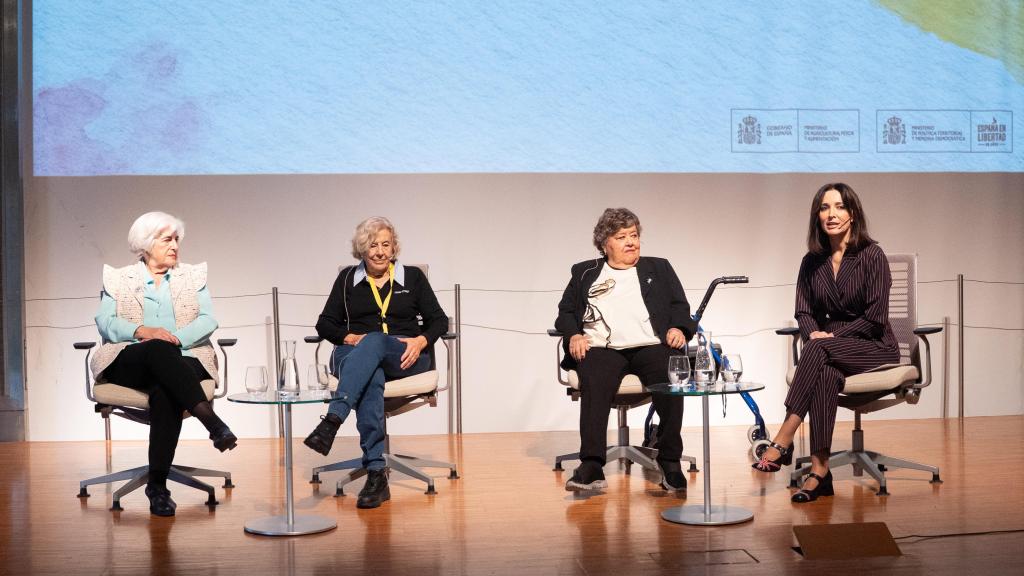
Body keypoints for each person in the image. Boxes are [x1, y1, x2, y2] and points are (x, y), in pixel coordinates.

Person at [752, 183, 899, 503]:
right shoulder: (811, 261)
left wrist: (830, 337)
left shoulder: (872, 255)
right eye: (824, 207)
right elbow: (803, 312)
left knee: (817, 348)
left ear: (853, 213)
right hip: (829, 350)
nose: (831, 214)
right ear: (816, 216)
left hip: (872, 345)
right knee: (826, 374)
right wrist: (815, 334)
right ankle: (820, 471)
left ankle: (782, 439)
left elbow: (875, 318)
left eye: (839, 206)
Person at [92, 211, 236, 517]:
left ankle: (157, 487)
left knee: (165, 389)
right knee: (155, 349)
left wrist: (175, 340)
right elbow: (105, 321)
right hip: (129, 358)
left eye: (177, 239)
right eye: (167, 239)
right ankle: (212, 422)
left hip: (185, 356)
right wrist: (142, 332)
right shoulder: (119, 278)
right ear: (146, 244)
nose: (175, 246)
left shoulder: (191, 277)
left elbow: (208, 319)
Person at [303, 216, 448, 509]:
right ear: (362, 249)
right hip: (355, 356)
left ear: (394, 248)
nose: (380, 252)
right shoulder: (347, 280)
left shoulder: (413, 278)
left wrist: (421, 341)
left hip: (405, 355)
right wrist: (348, 338)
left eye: (386, 244)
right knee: (371, 373)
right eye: (373, 245)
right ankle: (375, 474)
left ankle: (332, 421)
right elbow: (324, 325)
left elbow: (439, 321)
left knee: (378, 340)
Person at [555, 208, 697, 493]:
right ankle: (592, 465)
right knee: (594, 375)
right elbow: (566, 312)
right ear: (605, 243)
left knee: (671, 374)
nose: (631, 242)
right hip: (602, 348)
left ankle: (670, 462)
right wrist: (574, 335)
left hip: (650, 344)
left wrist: (679, 329)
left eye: (634, 235)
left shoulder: (659, 268)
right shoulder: (584, 272)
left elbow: (680, 307)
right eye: (622, 237)